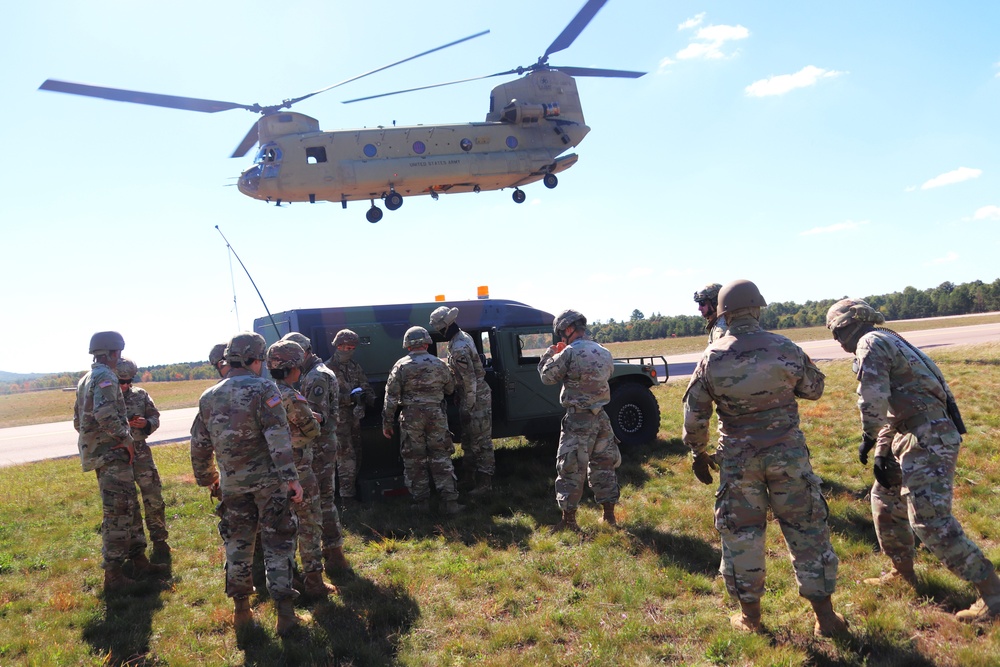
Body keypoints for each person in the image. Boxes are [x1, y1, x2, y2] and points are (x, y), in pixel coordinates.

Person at [683, 280, 847, 637]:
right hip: (788, 457)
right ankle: (826, 618)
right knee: (807, 531)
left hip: (739, 462)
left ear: (724, 311)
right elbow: (814, 389)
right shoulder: (784, 347)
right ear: (758, 308)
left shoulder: (713, 356)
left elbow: (694, 417)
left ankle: (751, 619)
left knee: (742, 537)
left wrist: (698, 452)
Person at [826, 298, 1000, 622]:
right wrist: (880, 448)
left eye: (837, 331)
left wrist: (868, 433)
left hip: (926, 437)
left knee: (929, 520)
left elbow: (873, 399)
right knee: (884, 498)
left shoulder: (870, 342)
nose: (836, 340)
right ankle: (901, 572)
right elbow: (897, 406)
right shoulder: (886, 339)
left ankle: (993, 594)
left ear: (852, 324)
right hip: (912, 433)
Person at [190, 331, 305, 635]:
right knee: (278, 543)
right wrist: (292, 480)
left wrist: (209, 479)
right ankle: (285, 616)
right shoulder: (265, 388)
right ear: (257, 358)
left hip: (233, 486)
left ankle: (241, 612)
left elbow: (199, 445)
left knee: (238, 545)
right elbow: (278, 438)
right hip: (269, 485)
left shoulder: (209, 396)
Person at [74, 331, 165, 593]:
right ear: (115, 353)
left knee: (131, 509)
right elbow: (104, 414)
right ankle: (113, 575)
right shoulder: (104, 376)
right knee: (118, 514)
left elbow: (78, 421)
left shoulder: (86, 379)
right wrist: (125, 438)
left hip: (107, 454)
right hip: (111, 455)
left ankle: (138, 560)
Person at [537, 309, 621, 530]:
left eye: (560, 333)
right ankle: (609, 516)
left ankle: (569, 521)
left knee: (571, 468)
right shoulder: (603, 351)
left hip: (578, 421)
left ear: (568, 329)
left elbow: (547, 376)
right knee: (604, 466)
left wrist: (551, 354)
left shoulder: (569, 353)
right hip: (601, 418)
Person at [266, 340, 337, 599]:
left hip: (271, 472)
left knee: (281, 527)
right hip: (299, 471)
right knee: (309, 524)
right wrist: (313, 419)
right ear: (294, 368)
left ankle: (288, 579)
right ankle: (314, 582)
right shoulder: (292, 397)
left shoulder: (264, 392)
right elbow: (312, 430)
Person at [281, 332, 349, 574]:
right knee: (321, 500)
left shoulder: (317, 376)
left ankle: (333, 553)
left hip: (319, 444)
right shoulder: (314, 373)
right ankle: (330, 553)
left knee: (322, 502)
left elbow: (317, 417)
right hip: (319, 442)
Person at [382, 326, 463, 515]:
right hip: (436, 415)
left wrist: (387, 422)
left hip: (411, 418)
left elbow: (391, 397)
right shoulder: (439, 364)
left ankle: (421, 505)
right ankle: (450, 503)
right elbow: (450, 389)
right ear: (427, 343)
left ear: (407, 345)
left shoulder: (400, 366)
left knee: (414, 460)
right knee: (441, 457)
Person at [429, 307, 494, 497]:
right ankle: (470, 476)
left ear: (445, 327)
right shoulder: (461, 337)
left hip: (475, 394)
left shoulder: (459, 347)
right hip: (469, 393)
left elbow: (469, 378)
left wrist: (470, 403)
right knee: (468, 438)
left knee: (481, 441)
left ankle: (485, 483)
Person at [116, 357, 170, 561]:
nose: (125, 386)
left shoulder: (140, 395)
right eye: (121, 382)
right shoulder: (106, 400)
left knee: (153, 496)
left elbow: (155, 417)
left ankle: (160, 539)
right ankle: (136, 550)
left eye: (128, 381)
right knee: (128, 503)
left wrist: (146, 423)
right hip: (118, 456)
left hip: (141, 453)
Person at [326, 329, 374, 502]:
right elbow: (326, 400)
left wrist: (369, 398)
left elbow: (365, 385)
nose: (350, 351)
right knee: (346, 458)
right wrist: (348, 398)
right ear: (338, 346)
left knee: (357, 455)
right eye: (347, 347)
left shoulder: (355, 366)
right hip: (339, 422)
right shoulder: (327, 369)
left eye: (353, 348)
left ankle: (353, 489)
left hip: (355, 419)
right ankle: (347, 498)